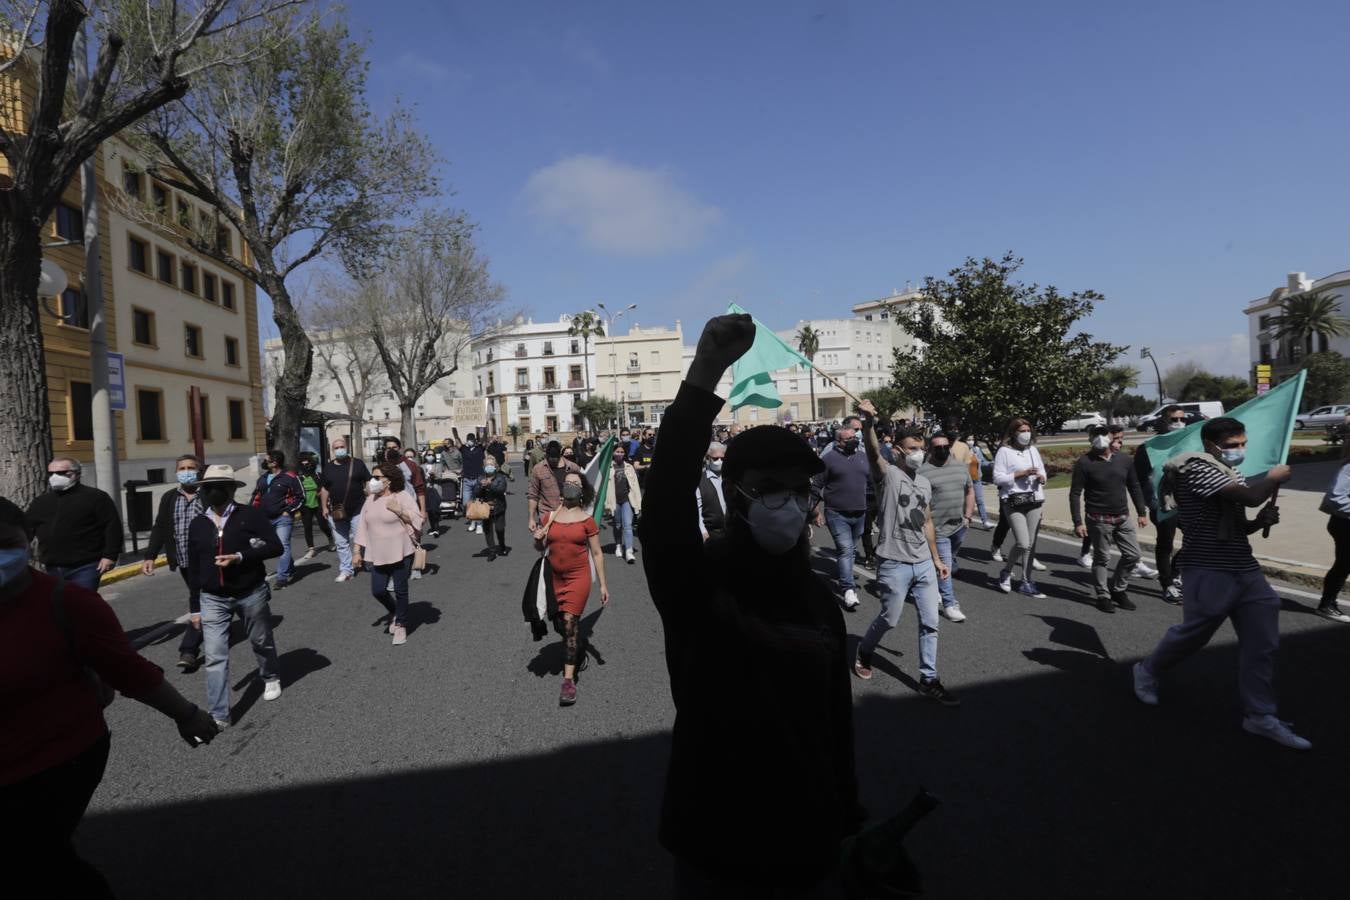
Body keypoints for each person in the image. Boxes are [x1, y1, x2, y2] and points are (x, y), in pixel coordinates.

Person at [641, 315, 863, 893]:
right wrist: (707, 368)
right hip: (716, 834)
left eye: (798, 489)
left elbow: (836, 722)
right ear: (736, 494)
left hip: (806, 835)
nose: (787, 503)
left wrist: (849, 819)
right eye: (769, 488)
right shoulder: (696, 583)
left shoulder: (819, 602)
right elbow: (665, 498)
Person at [0, 522, 218, 895]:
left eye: (5, 542)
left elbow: (129, 672)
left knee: (35, 858)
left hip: (56, 760)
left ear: (28, 545)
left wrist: (186, 713)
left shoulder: (66, 602)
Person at [1132, 417, 1309, 750]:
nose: (1239, 450)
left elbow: (1237, 524)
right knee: (1194, 633)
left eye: (1243, 443)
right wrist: (1272, 478)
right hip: (1207, 568)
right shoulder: (1196, 469)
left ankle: (1260, 715)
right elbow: (1251, 496)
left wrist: (1259, 523)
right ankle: (1147, 670)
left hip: (1244, 567)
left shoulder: (1230, 472)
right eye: (1231, 446)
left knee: (1262, 644)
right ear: (1210, 446)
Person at [854, 406, 959, 705]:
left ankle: (929, 679)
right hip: (894, 562)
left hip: (923, 563)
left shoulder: (924, 482)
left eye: (921, 449)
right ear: (899, 450)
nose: (919, 454)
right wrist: (869, 424)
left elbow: (926, 521)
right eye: (913, 449)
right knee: (890, 618)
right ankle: (864, 650)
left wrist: (937, 559)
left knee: (930, 623)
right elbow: (873, 452)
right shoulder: (887, 475)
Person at [189, 465, 285, 728]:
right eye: (208, 487)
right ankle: (219, 713)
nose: (213, 492)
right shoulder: (198, 524)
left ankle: (270, 675)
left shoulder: (250, 516)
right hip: (212, 598)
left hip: (249, 592)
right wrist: (194, 606)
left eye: (220, 486)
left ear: (231, 489)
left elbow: (275, 546)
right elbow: (195, 568)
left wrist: (241, 557)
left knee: (261, 640)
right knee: (215, 655)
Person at [532, 470, 609, 706]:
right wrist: (537, 537)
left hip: (578, 578)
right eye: (567, 483)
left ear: (582, 490)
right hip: (554, 577)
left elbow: (596, 553)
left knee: (569, 621)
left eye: (575, 484)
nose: (570, 486)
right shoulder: (549, 517)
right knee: (561, 625)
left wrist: (603, 585)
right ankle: (579, 646)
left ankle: (568, 681)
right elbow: (539, 548)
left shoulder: (587, 521)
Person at [1071, 426, 1149, 614]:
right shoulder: (1084, 462)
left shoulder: (1124, 460)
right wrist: (1078, 522)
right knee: (1102, 558)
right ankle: (1103, 595)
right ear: (1090, 439)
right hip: (1098, 519)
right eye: (1095, 436)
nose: (1100, 439)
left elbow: (1134, 486)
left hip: (1122, 517)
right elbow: (1075, 494)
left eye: (1104, 435)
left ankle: (1118, 589)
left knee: (1133, 555)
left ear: (1112, 438)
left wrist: (1141, 512)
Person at [141, 455, 207, 671]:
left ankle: (188, 650)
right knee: (206, 600)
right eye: (182, 468)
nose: (186, 471)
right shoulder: (170, 497)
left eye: (191, 468)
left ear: (199, 471)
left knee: (198, 601)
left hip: (207, 560)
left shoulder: (207, 494)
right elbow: (160, 526)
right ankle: (218, 624)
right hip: (183, 560)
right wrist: (150, 555)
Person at [25, 457, 123, 592]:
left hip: (86, 565)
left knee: (82, 603)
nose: (54, 477)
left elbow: (112, 527)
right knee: (60, 605)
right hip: (53, 566)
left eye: (61, 473)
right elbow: (27, 529)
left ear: (76, 474)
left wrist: (110, 556)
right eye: (51, 473)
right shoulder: (41, 502)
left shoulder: (96, 497)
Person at [353, 464, 424, 646]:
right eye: (372, 477)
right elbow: (362, 525)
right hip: (377, 552)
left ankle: (401, 623)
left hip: (401, 550)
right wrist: (356, 551)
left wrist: (398, 510)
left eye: (377, 477)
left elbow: (418, 519)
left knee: (400, 589)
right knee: (378, 590)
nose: (373, 481)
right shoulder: (370, 499)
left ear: (389, 480)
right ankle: (395, 611)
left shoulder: (401, 496)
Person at [812, 420, 870, 611]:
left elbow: (873, 483)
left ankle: (844, 575)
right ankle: (848, 589)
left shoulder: (863, 457)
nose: (853, 440)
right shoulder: (828, 459)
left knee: (851, 549)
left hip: (860, 513)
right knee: (845, 550)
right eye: (848, 439)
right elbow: (816, 485)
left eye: (854, 437)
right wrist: (814, 510)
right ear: (838, 442)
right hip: (837, 514)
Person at [920, 431, 975, 623]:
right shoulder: (923, 472)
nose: (943, 450)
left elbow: (969, 491)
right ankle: (950, 604)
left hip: (959, 526)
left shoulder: (960, 468)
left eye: (946, 447)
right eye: (938, 448)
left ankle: (934, 588)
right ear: (930, 449)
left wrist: (968, 516)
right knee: (946, 566)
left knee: (947, 561)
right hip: (938, 529)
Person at [993, 419, 1049, 598]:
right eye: (1022, 430)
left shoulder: (1033, 450)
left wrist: (1041, 478)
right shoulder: (1004, 451)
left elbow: (1042, 470)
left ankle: (1026, 580)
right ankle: (1007, 571)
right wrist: (1021, 474)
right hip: (1013, 501)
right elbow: (998, 478)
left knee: (1030, 545)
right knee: (1023, 543)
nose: (1026, 434)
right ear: (1014, 433)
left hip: (1034, 500)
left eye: (1028, 430)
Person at [1136, 406, 1186, 603]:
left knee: (1197, 537)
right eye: (1174, 419)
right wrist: (1149, 504)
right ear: (1164, 421)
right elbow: (1139, 480)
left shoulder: (1188, 442)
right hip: (1162, 504)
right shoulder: (1149, 447)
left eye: (1183, 419)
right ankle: (1167, 585)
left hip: (1187, 503)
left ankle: (1175, 572)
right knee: (1166, 543)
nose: (1179, 423)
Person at [250, 449, 303, 588]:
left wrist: (288, 511)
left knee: (283, 545)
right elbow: (255, 497)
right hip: (265, 519)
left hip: (282, 518)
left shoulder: (290, 477)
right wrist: (252, 513)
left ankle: (282, 578)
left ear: (275, 462)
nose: (264, 463)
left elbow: (300, 496)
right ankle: (289, 567)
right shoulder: (262, 479)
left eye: (267, 460)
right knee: (270, 546)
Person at [319, 437, 370, 583]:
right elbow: (324, 488)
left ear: (347, 447)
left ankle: (366, 561)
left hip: (358, 509)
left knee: (361, 539)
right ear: (332, 450)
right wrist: (323, 507)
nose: (339, 449)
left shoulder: (357, 464)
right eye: (336, 448)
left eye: (342, 446)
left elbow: (367, 481)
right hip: (337, 511)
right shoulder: (328, 468)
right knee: (341, 542)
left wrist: (371, 501)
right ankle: (346, 570)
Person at [1315, 446, 1350, 622]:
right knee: (1344, 565)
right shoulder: (1348, 467)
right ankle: (1326, 605)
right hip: (1345, 523)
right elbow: (1336, 499)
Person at [527, 440, 582, 528]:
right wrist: (531, 519)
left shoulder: (573, 467)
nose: (553, 460)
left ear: (560, 454)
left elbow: (582, 490)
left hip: (571, 514)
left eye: (555, 458)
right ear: (546, 454)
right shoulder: (538, 469)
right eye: (550, 458)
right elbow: (533, 495)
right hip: (548, 515)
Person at [605, 442, 642, 562]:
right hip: (614, 500)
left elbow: (635, 486)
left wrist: (638, 502)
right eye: (617, 451)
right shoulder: (608, 467)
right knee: (617, 525)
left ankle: (629, 551)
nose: (619, 454)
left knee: (628, 525)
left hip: (627, 500)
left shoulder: (629, 467)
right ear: (613, 453)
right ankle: (618, 545)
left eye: (622, 452)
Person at [296, 455, 332, 561]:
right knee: (307, 527)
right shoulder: (299, 478)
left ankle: (331, 539)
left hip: (318, 504)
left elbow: (326, 487)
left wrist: (321, 492)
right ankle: (311, 549)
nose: (305, 466)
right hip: (305, 506)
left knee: (323, 525)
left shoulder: (318, 475)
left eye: (307, 464)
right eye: (303, 464)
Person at [474, 458, 510, 559]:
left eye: (491, 465)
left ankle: (502, 545)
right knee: (488, 530)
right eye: (487, 465)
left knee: (499, 528)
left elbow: (501, 489)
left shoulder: (500, 477)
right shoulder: (480, 478)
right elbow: (476, 492)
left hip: (499, 506)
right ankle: (492, 551)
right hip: (485, 507)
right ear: (484, 467)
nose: (489, 467)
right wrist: (481, 486)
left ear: (495, 466)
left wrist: (490, 484)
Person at [696, 441, 728, 542]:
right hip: (712, 533)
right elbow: (698, 509)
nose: (719, 461)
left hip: (732, 531)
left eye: (722, 458)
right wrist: (703, 532)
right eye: (715, 458)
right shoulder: (700, 480)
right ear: (708, 458)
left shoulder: (730, 477)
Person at [460, 434, 487, 534]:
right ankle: (473, 521)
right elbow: (457, 440)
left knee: (478, 502)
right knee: (467, 503)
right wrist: (454, 429)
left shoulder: (480, 449)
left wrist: (484, 428)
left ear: (475, 440)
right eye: (468, 439)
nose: (469, 441)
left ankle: (479, 524)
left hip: (478, 478)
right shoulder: (464, 449)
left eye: (471, 439)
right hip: (467, 479)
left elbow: (484, 439)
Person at [966, 434, 992, 527]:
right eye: (968, 439)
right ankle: (966, 519)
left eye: (972, 439)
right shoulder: (961, 451)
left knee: (980, 500)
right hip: (965, 480)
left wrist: (991, 464)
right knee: (965, 501)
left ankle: (985, 522)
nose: (971, 441)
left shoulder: (976, 450)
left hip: (977, 479)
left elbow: (983, 462)